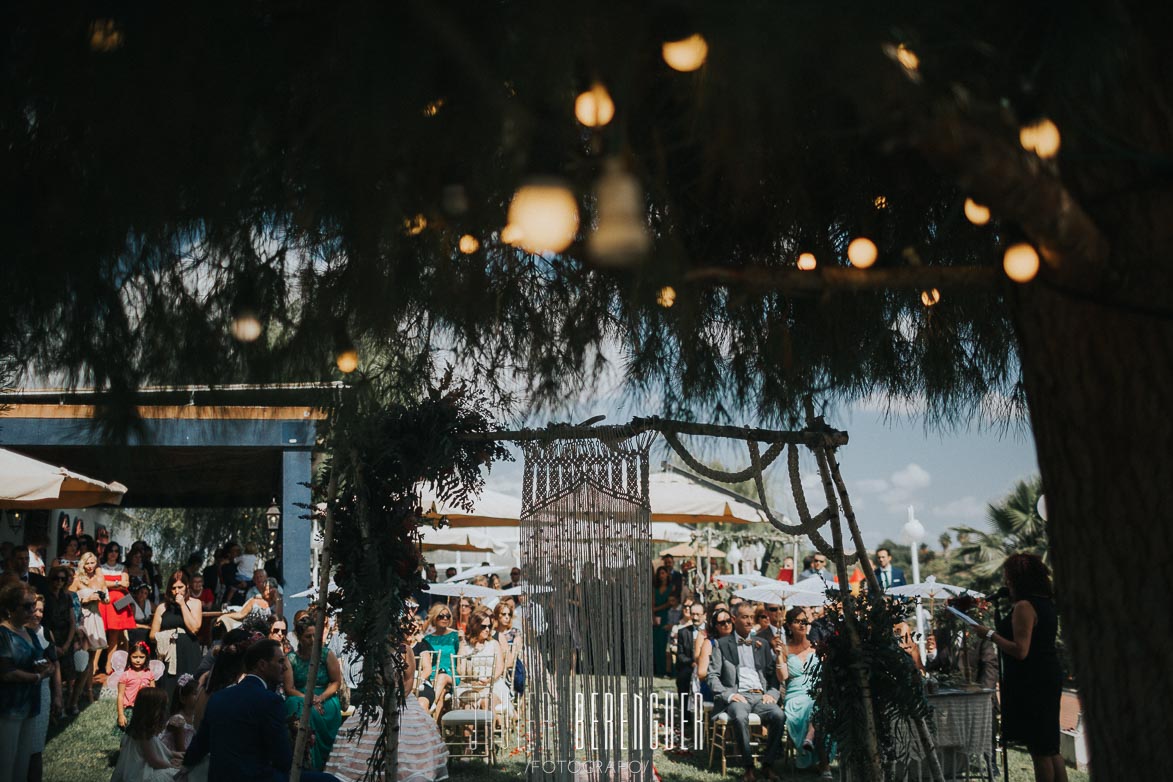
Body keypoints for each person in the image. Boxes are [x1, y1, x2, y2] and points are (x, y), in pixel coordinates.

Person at [178, 639, 341, 782]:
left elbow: (200, 744)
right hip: (256, 777)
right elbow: (282, 760)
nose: (284, 668)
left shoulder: (219, 697)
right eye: (280, 662)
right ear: (262, 665)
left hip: (220, 777)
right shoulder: (270, 701)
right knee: (328, 780)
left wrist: (184, 767)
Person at [973, 554, 1067, 782]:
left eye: (1009, 578)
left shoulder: (1025, 606)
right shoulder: (1045, 603)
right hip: (1046, 675)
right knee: (1050, 747)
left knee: (1040, 750)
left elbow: (1020, 650)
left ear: (1019, 580)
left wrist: (988, 634)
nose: (1007, 583)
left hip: (1034, 681)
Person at [707, 602, 787, 782]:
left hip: (760, 695)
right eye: (745, 617)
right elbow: (712, 676)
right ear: (734, 619)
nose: (750, 621)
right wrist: (728, 695)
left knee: (779, 715)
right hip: (738, 696)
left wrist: (772, 694)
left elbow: (773, 676)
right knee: (740, 716)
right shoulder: (721, 644)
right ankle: (748, 767)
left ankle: (768, 765)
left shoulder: (762, 643)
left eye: (752, 617)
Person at [0, 582, 53, 782]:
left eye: (34, 605)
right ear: (9, 609)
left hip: (31, 704)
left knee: (23, 761)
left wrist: (48, 667)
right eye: (27, 606)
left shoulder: (30, 632)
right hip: (9, 708)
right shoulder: (3, 635)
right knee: (5, 763)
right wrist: (37, 677)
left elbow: (41, 658)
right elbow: (6, 672)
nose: (33, 610)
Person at [283, 616, 344, 771]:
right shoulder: (291, 659)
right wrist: (309, 699)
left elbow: (336, 682)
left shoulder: (326, 654)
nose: (312, 640)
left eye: (315, 635)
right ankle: (304, 760)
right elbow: (289, 688)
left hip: (325, 697)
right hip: (301, 696)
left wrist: (320, 698)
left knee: (313, 710)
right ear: (299, 637)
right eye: (308, 636)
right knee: (294, 704)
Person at [778, 607, 831, 776]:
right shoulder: (785, 649)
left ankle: (810, 738)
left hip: (815, 692)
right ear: (789, 625)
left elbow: (825, 674)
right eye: (797, 621)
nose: (802, 625)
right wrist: (779, 655)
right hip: (795, 695)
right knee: (813, 707)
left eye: (805, 621)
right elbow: (783, 676)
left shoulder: (816, 647)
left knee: (817, 705)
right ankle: (825, 765)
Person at [396, 640, 449, 781]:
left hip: (415, 687)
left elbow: (425, 670)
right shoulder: (382, 646)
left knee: (420, 708)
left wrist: (413, 684)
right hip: (390, 693)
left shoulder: (414, 647)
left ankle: (420, 756)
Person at [25, 592, 62, 782]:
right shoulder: (13, 632)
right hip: (21, 692)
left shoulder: (45, 632)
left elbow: (55, 665)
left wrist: (58, 696)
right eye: (34, 609)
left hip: (43, 690)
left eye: (41, 610)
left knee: (37, 746)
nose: (37, 614)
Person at [110, 687, 183, 781]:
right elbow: (153, 760)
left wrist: (174, 754)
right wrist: (172, 766)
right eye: (163, 707)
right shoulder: (143, 734)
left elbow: (158, 748)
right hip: (142, 775)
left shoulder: (140, 730)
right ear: (154, 710)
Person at [455, 610, 513, 722]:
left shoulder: (493, 644)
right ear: (475, 626)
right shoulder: (465, 645)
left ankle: (488, 738)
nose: (487, 629)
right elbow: (460, 669)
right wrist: (472, 680)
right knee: (469, 704)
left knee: (486, 702)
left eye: (489, 626)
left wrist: (488, 680)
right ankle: (468, 738)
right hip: (470, 685)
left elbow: (499, 668)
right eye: (483, 626)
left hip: (492, 685)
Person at [150, 572, 202, 696]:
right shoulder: (162, 607)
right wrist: (167, 635)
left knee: (189, 689)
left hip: (189, 651)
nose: (177, 591)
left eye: (180, 587)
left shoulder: (195, 603)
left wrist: (183, 605)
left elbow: (194, 628)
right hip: (169, 653)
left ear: (187, 587)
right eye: (173, 588)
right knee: (169, 689)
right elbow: (152, 635)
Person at [69, 551, 108, 710]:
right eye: (88, 563)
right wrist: (85, 599)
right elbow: (71, 598)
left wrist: (103, 597)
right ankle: (74, 697)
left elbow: (107, 600)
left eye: (93, 563)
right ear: (82, 564)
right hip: (82, 617)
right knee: (81, 658)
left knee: (91, 658)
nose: (91, 566)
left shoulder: (99, 578)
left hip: (95, 616)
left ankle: (89, 692)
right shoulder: (77, 579)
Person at [99, 541, 136, 671]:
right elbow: (100, 583)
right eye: (111, 551)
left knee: (114, 635)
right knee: (101, 633)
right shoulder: (100, 567)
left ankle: (108, 664)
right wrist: (117, 582)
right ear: (106, 552)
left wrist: (110, 583)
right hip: (104, 602)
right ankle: (95, 664)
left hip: (119, 604)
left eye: (116, 551)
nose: (113, 553)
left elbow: (126, 584)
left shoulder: (122, 568)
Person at [43, 566, 76, 709]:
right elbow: (43, 623)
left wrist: (68, 643)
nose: (59, 582)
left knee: (69, 672)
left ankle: (69, 703)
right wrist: (53, 646)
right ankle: (54, 706)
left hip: (65, 637)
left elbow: (72, 621)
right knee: (53, 674)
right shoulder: (44, 597)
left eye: (63, 579)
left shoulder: (66, 597)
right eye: (56, 578)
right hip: (49, 638)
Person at [423, 603, 460, 709]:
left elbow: (461, 656)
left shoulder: (455, 636)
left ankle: (429, 705)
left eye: (447, 616)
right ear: (435, 618)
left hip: (450, 673)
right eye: (441, 616)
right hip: (432, 674)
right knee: (442, 691)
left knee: (442, 678)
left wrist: (462, 642)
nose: (445, 618)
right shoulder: (427, 639)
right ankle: (434, 723)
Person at [162, 674, 199, 754]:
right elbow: (180, 749)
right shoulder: (178, 719)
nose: (199, 696)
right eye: (195, 694)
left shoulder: (195, 717)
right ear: (183, 699)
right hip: (173, 757)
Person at [652, 566, 673, 676]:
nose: (661, 575)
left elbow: (670, 603)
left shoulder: (671, 588)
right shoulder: (655, 589)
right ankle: (657, 669)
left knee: (666, 644)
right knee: (657, 643)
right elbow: (652, 602)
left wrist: (656, 609)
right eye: (660, 573)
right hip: (656, 618)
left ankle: (666, 669)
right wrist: (653, 614)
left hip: (666, 616)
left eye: (663, 573)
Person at [128, 578, 155, 647]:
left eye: (145, 593)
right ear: (137, 592)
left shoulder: (149, 603)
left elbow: (158, 613)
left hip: (148, 628)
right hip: (136, 630)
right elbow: (131, 624)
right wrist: (146, 627)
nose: (142, 595)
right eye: (141, 592)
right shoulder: (133, 605)